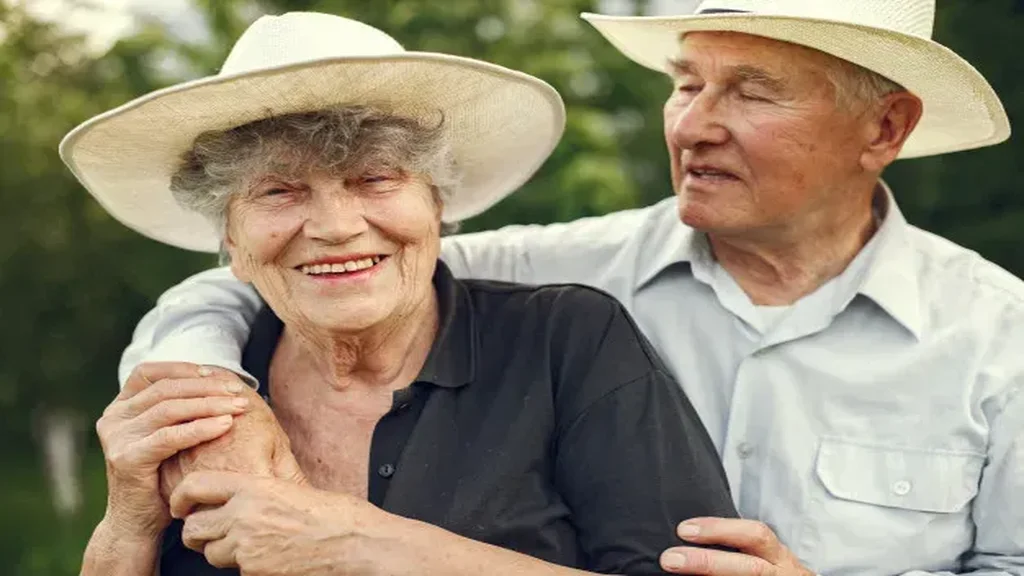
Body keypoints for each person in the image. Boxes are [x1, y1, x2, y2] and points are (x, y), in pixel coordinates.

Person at [113, 1, 1024, 575]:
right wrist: (212, 400)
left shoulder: (1000, 338)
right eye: (686, 82)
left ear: (885, 126)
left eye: (751, 91)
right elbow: (291, 280)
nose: (695, 124)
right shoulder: (553, 266)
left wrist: (357, 545)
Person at [63, 12, 739, 576]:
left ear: (437, 206)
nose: (334, 227)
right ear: (232, 243)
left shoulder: (568, 340)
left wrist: (362, 544)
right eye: (279, 190)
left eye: (375, 179)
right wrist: (128, 517)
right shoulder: (197, 392)